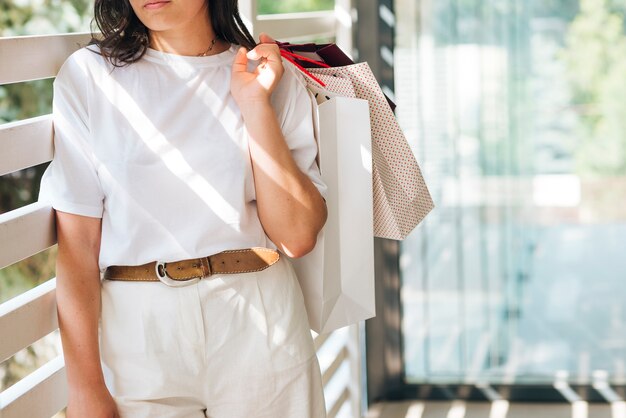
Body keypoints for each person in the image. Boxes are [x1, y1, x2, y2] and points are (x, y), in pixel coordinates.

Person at [37, 0, 329, 417]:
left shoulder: (267, 75)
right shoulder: (88, 76)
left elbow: (298, 236)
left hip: (262, 322)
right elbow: (78, 246)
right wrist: (84, 389)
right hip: (138, 335)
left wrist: (254, 105)